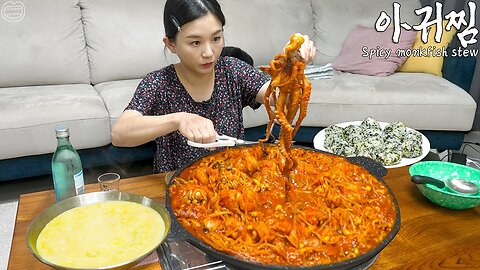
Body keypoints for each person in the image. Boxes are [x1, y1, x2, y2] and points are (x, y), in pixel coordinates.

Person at [111, 0, 316, 173]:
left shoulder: (232, 70)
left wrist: (292, 68)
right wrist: (179, 119)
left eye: (216, 38)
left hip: (233, 182)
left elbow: (280, 101)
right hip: (176, 186)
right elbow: (120, 134)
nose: (209, 52)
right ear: (171, 44)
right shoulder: (159, 82)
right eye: (195, 43)